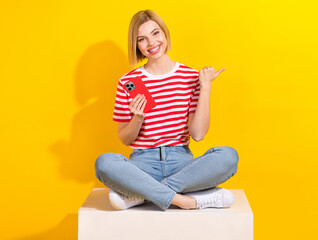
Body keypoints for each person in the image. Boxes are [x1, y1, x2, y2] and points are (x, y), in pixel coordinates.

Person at [95, 9, 239, 211]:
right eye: (142, 39)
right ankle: (182, 200)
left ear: (164, 33)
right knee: (104, 163)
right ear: (136, 46)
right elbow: (125, 138)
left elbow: (198, 134)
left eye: (155, 33)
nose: (152, 43)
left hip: (182, 164)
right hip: (142, 165)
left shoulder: (190, 77)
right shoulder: (127, 82)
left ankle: (143, 194)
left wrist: (205, 87)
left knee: (229, 156)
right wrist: (137, 117)